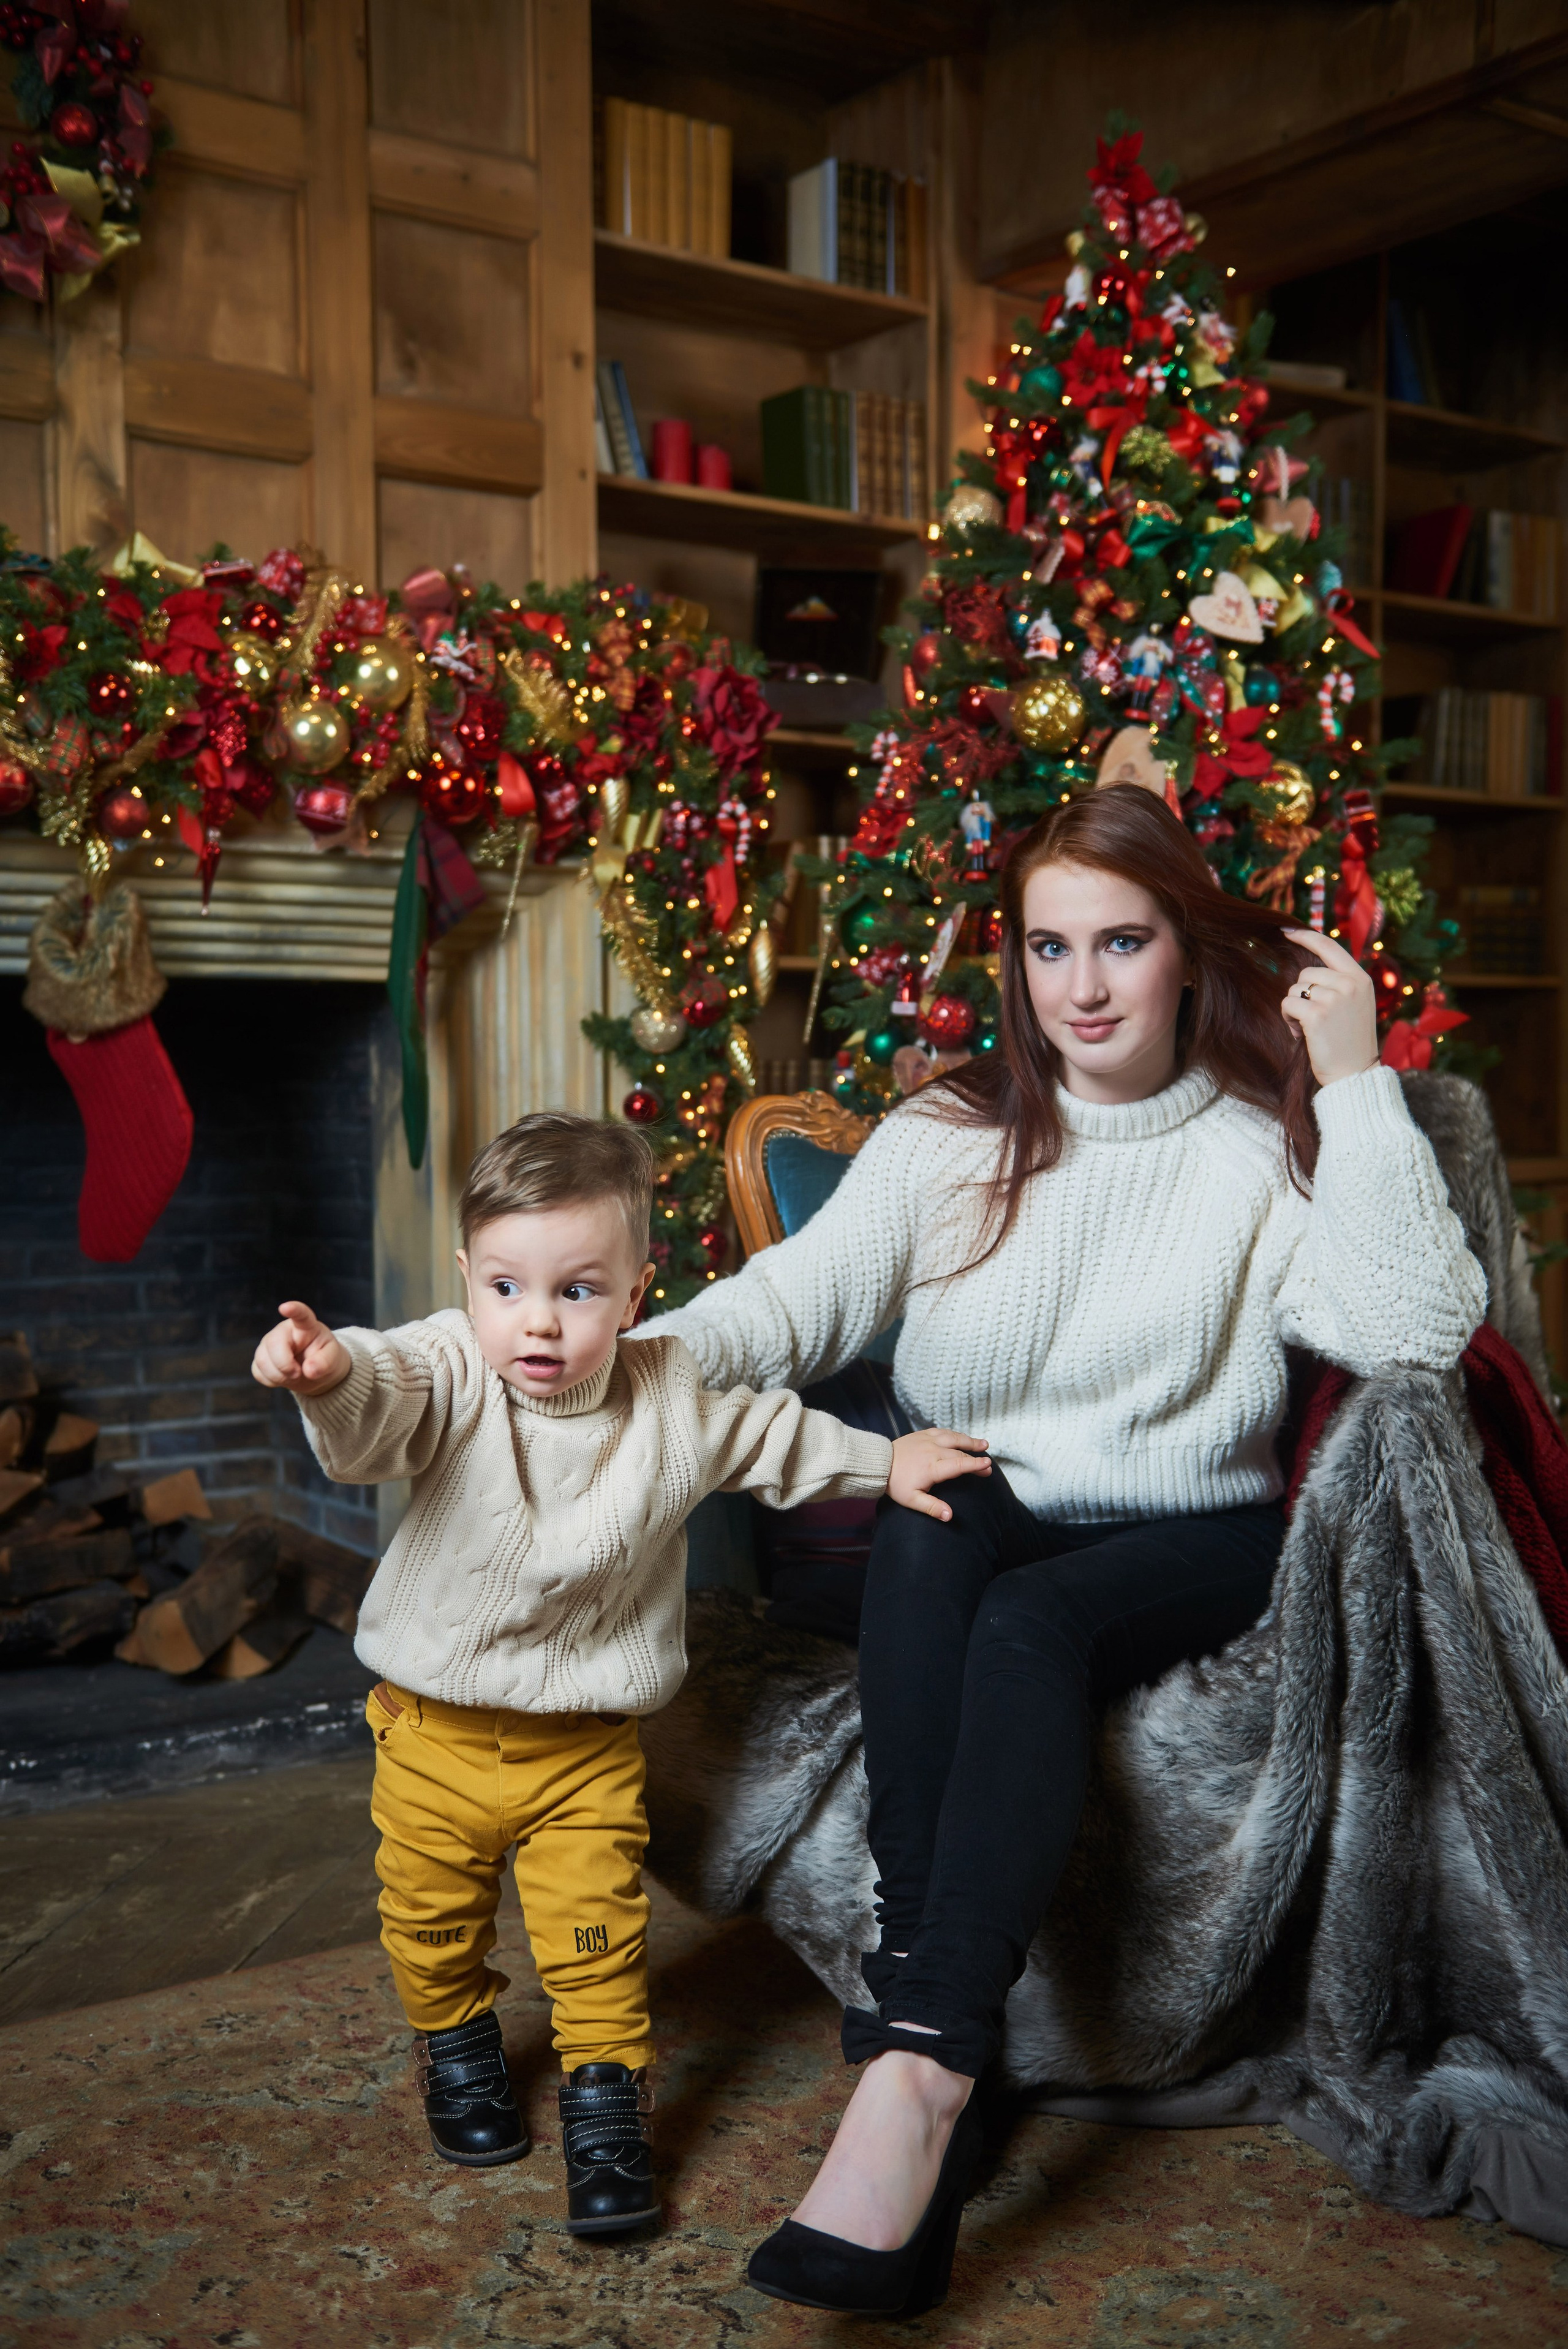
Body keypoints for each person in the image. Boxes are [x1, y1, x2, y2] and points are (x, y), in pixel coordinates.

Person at [639, 785, 1487, 2316]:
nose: (1081, 985)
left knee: (1027, 1625)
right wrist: (618, 1361)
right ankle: (929, 2034)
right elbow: (788, 1304)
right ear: (1012, 960)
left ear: (1182, 953)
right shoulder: (945, 1136)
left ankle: (913, 2081)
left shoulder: (1259, 1149)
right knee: (929, 1521)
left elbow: (1418, 1330)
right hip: (997, 1495)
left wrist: (1353, 1080)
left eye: (1120, 940)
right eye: (1047, 945)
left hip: (1199, 1527)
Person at [250, 1112, 985, 2238]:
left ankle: (604, 2095)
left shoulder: (669, 1399)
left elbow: (774, 1441)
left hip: (582, 1750)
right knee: (431, 1926)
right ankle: (455, 2045)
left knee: (597, 1942)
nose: (537, 1321)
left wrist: (888, 1462)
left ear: (637, 1293)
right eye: (507, 1287)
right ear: (469, 1280)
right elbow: (372, 1414)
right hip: (432, 1737)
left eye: (578, 1291)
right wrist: (328, 1372)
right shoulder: (448, 1366)